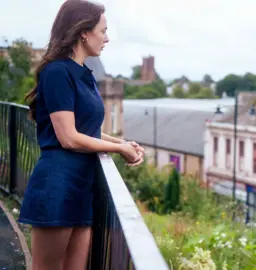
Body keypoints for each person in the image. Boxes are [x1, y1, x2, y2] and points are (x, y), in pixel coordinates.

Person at [19, 1, 145, 270]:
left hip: (82, 186)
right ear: (83, 32)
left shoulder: (84, 74)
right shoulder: (57, 72)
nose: (107, 38)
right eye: (103, 30)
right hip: (58, 185)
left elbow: (87, 129)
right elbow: (69, 137)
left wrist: (121, 142)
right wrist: (119, 150)